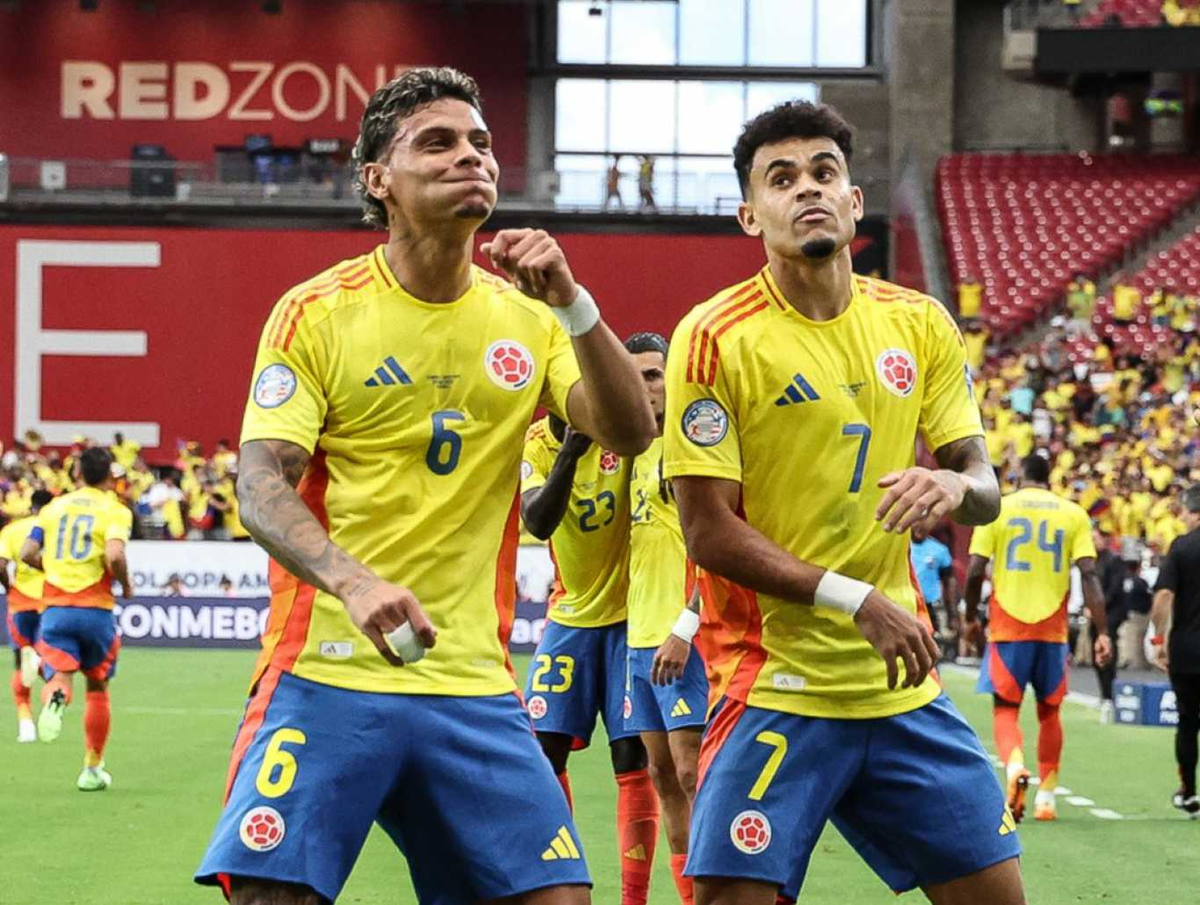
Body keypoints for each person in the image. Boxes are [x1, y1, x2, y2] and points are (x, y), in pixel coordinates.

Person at [194, 67, 654, 905]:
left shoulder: (532, 318)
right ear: (378, 178)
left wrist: (575, 302)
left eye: (480, 142)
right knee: (270, 895)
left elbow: (629, 432)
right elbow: (260, 483)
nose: (470, 156)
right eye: (437, 142)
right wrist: (355, 582)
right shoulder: (317, 311)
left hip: (472, 684)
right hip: (328, 671)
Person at [663, 100, 1023, 905]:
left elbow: (985, 487)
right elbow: (707, 531)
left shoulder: (919, 323)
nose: (808, 189)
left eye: (824, 172)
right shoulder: (714, 335)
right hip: (775, 685)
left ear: (854, 201)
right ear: (749, 214)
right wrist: (854, 598)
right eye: (781, 178)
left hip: (901, 685)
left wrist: (955, 484)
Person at [520, 399, 659, 905]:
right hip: (570, 618)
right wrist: (570, 453)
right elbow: (538, 521)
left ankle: (633, 900)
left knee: (631, 756)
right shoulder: (536, 445)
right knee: (543, 753)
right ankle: (562, 881)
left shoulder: (621, 433)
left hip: (631, 617)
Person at [964, 453, 1112, 823]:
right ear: (1049, 478)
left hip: (1008, 627)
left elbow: (975, 570)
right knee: (1050, 712)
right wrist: (1102, 631)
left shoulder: (998, 510)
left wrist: (969, 619)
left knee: (1005, 710)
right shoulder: (1073, 514)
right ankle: (1047, 797)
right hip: (1053, 629)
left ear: (1020, 476)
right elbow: (1089, 574)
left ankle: (1015, 766)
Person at [621, 331, 706, 905]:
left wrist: (685, 628)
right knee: (661, 776)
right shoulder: (632, 450)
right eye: (633, 377)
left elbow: (716, 546)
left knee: (694, 774)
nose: (644, 387)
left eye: (653, 375)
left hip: (682, 639)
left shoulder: (690, 449)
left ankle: (724, 890)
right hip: (639, 639)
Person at [19, 448, 133, 790]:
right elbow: (115, 553)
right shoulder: (114, 509)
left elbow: (27, 552)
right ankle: (92, 770)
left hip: (57, 610)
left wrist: (50, 567)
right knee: (97, 688)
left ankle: (56, 697)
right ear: (109, 476)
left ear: (78, 473)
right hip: (95, 609)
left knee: (60, 677)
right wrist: (126, 584)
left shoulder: (53, 508)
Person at [1150, 483, 1200, 818]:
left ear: (1193, 512)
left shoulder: (1182, 547)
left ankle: (1189, 790)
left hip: (1188, 648)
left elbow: (1165, 596)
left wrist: (1159, 641)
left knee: (1187, 721)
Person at [0, 488, 53, 742]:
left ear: (31, 506)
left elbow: (1, 564)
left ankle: (26, 724)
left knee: (21, 663)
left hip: (20, 603)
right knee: (48, 659)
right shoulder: (55, 529)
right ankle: (51, 702)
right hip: (50, 602)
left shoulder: (12, 530)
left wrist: (9, 587)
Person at [910, 531, 957, 646]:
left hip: (932, 604)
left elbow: (948, 581)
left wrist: (952, 613)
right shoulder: (901, 548)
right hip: (910, 602)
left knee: (933, 641)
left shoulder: (939, 550)